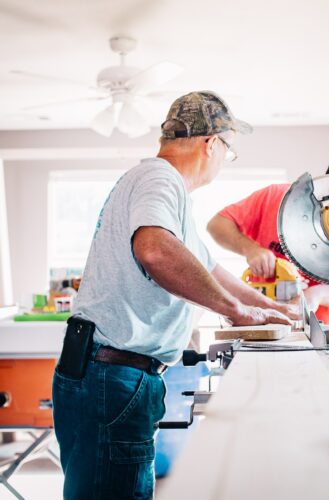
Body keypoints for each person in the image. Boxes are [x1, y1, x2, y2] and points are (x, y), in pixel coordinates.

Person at [52, 91, 297, 500]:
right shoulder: (159, 178)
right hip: (112, 376)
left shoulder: (165, 191)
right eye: (227, 151)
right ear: (212, 143)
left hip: (108, 373)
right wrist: (237, 312)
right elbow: (154, 249)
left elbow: (209, 267)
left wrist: (268, 308)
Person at [207, 163, 329, 324]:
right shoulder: (276, 197)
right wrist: (250, 249)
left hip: (317, 329)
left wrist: (318, 294)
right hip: (259, 318)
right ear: (323, 184)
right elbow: (217, 224)